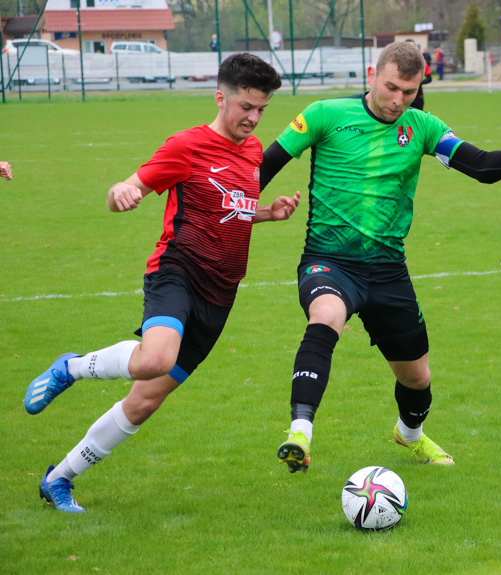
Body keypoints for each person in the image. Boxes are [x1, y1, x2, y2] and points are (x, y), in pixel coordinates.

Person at [257, 42, 501, 474]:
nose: (398, 100)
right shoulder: (324, 115)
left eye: (409, 92)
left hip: (387, 271)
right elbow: (261, 170)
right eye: (391, 87)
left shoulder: (424, 127)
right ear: (372, 74)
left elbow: (482, 166)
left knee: (417, 378)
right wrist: (232, 213)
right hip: (329, 261)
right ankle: (300, 432)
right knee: (325, 316)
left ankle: (409, 435)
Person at [24, 53, 301, 513]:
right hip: (178, 271)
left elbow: (230, 209)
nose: (253, 118)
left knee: (145, 403)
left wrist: (269, 212)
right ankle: (68, 368)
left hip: (221, 293)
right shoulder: (187, 146)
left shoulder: (253, 153)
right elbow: (120, 193)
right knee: (155, 358)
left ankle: (58, 479)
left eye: (261, 109)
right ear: (221, 98)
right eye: (245, 107)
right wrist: (123, 193)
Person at [405, 38, 432, 110]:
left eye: (413, 46)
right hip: (403, 96)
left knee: (418, 118)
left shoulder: (421, 61)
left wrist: (419, 83)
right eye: (408, 46)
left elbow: (429, 78)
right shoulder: (398, 62)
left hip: (417, 96)